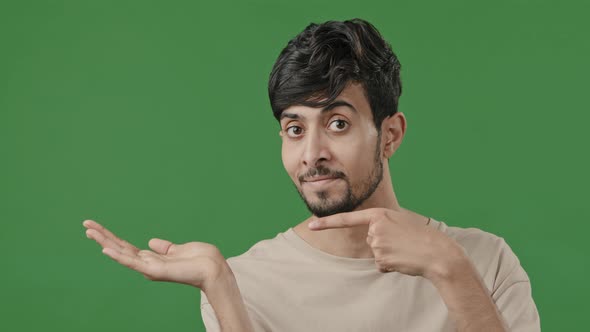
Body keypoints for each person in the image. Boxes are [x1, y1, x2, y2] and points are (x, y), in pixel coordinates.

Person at [83, 18, 540, 332]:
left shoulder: (484, 262)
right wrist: (222, 291)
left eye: (338, 123)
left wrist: (451, 270)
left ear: (390, 135)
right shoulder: (242, 283)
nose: (312, 154)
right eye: (295, 129)